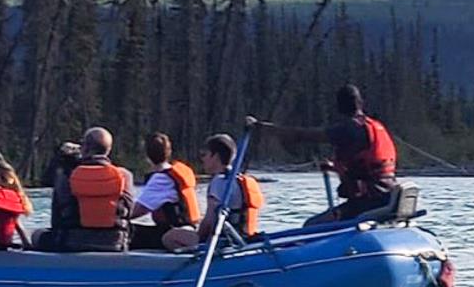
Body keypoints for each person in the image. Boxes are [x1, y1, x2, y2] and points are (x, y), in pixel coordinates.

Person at [254, 84, 401, 229]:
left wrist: (262, 128)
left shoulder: (349, 128)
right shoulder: (374, 126)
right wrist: (334, 168)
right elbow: (369, 168)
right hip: (387, 195)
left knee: (311, 225)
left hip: (369, 201)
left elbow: (301, 135)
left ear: (339, 107)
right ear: (360, 103)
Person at [169, 132, 263, 252]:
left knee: (170, 237)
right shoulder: (239, 180)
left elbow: (210, 219)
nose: (203, 159)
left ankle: (191, 262)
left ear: (216, 156)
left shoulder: (218, 182)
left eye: (205, 155)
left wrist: (198, 235)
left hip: (222, 241)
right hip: (242, 237)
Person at [59, 128, 134, 252]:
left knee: (37, 235)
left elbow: (59, 215)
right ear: (108, 150)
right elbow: (128, 212)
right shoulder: (125, 176)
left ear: (85, 148)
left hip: (74, 243)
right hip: (115, 243)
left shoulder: (67, 175)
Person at [128, 132, 200, 251]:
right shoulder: (176, 173)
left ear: (147, 155)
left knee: (126, 231)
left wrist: (113, 217)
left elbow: (137, 211)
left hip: (172, 232)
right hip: (188, 228)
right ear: (169, 152)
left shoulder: (161, 179)